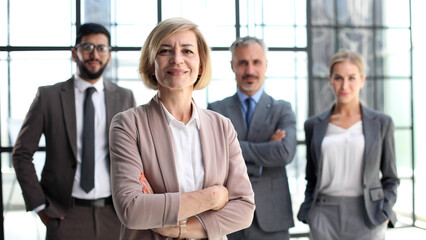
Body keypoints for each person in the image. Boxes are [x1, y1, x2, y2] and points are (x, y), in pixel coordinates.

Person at [109, 17, 255, 240]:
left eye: (187, 51)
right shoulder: (128, 125)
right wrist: (213, 197)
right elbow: (132, 209)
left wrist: (177, 229)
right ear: (151, 64)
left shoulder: (221, 126)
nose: (177, 59)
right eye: (165, 51)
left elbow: (244, 209)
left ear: (201, 66)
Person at [12, 23, 136, 240]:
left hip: (115, 216)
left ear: (108, 55)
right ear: (74, 52)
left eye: (101, 48)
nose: (94, 54)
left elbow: (136, 155)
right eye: (87, 47)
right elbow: (22, 154)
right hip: (64, 215)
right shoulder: (48, 97)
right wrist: (40, 206)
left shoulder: (125, 97)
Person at [297, 50, 399, 240]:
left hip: (368, 214)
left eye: (351, 78)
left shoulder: (382, 123)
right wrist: (310, 213)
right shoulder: (314, 125)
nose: (344, 85)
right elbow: (311, 177)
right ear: (330, 80)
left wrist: (385, 211)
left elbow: (391, 178)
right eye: (338, 78)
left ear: (362, 80)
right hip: (323, 215)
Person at [208, 36, 297, 240]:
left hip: (272, 218)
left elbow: (284, 153)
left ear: (266, 64)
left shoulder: (282, 109)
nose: (250, 70)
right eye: (242, 63)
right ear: (232, 66)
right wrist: (266, 149)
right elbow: (213, 158)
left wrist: (232, 148)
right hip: (227, 215)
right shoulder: (216, 110)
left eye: (256, 62)